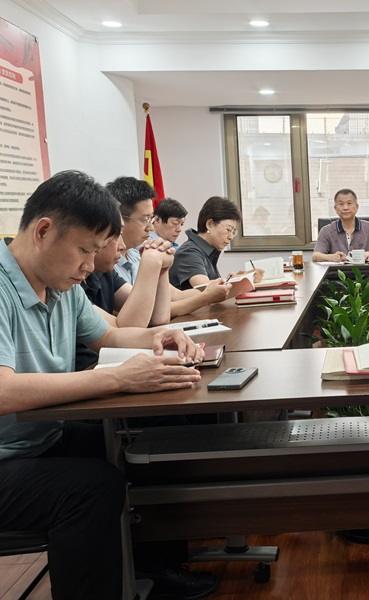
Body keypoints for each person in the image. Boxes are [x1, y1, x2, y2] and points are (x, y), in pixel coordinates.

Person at [0, 170, 218, 599]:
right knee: (91, 488)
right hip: (8, 457)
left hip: (42, 439)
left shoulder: (59, 284)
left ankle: (156, 569)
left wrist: (160, 336)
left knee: (153, 444)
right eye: (85, 250)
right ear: (43, 231)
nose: (89, 266)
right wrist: (116, 377)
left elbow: (110, 336)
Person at [107, 177, 231, 316]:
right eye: (144, 220)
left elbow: (176, 295)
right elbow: (150, 312)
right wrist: (206, 297)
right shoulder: (108, 264)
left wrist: (214, 290)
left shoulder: (136, 255)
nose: (150, 227)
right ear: (119, 219)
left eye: (150, 219)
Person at [76, 215, 174, 371]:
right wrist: (151, 262)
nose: (122, 246)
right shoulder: (71, 283)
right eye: (115, 236)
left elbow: (158, 317)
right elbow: (128, 328)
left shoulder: (102, 273)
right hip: (92, 372)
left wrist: (161, 268)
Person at [170, 196, 241, 290]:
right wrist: (234, 283)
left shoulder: (206, 250)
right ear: (209, 224)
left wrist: (234, 280)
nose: (231, 237)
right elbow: (206, 289)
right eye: (228, 230)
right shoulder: (189, 252)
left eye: (233, 232)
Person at [312, 189, 369, 262]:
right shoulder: (326, 231)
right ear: (335, 208)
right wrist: (332, 257)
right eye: (341, 204)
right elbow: (315, 256)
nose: (345, 208)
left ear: (357, 207)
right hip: (336, 270)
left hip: (364, 270)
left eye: (349, 203)